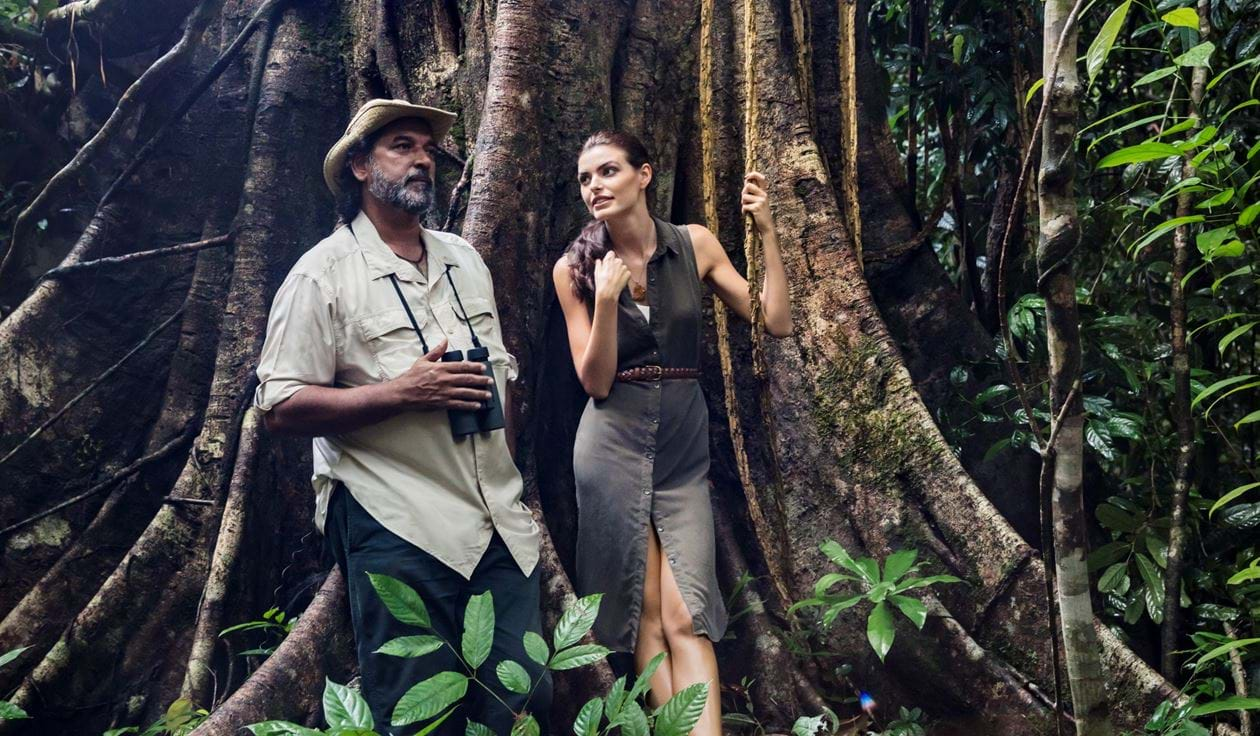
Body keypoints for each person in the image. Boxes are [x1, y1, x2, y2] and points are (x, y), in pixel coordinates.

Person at [255, 98, 550, 735]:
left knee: (522, 701)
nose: (422, 159)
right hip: (398, 521)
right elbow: (278, 405)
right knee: (422, 714)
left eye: (427, 149)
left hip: (498, 519)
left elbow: (501, 377)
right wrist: (402, 392)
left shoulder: (465, 260)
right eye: (402, 146)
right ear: (359, 167)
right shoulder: (321, 275)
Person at [552, 130, 792, 735]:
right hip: (611, 445)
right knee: (643, 614)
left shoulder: (694, 244)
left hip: (683, 449)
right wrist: (606, 303)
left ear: (645, 175)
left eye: (608, 172)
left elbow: (774, 320)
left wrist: (766, 231)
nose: (595, 187)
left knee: (688, 612)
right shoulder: (573, 269)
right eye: (585, 179)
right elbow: (597, 382)